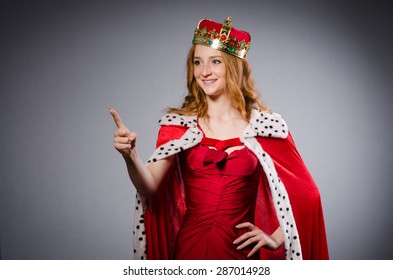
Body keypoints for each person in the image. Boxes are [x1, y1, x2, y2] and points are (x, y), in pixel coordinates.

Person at [110, 17, 329, 260]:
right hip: (189, 251)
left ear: (234, 68)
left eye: (215, 62)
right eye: (197, 62)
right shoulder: (180, 126)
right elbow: (149, 187)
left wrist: (276, 237)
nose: (204, 72)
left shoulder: (266, 127)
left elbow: (308, 196)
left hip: (240, 255)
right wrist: (130, 156)